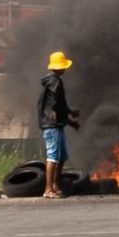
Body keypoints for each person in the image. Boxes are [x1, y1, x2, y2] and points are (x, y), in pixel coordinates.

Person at [37, 52, 80, 199]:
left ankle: (55, 185)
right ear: (60, 67)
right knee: (53, 157)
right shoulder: (55, 82)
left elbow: (59, 105)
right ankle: (48, 189)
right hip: (52, 126)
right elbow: (54, 102)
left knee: (62, 156)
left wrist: (71, 118)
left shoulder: (52, 81)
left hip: (56, 125)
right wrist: (54, 112)